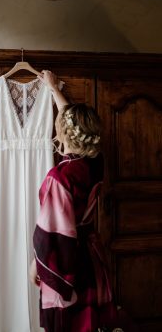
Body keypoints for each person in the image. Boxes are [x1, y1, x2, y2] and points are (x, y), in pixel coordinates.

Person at [29, 71, 139, 332]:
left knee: (70, 322)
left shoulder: (60, 177)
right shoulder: (94, 163)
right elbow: (70, 121)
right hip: (91, 257)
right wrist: (55, 90)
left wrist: (37, 263)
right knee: (93, 322)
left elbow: (54, 235)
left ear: (63, 132)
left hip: (69, 262)